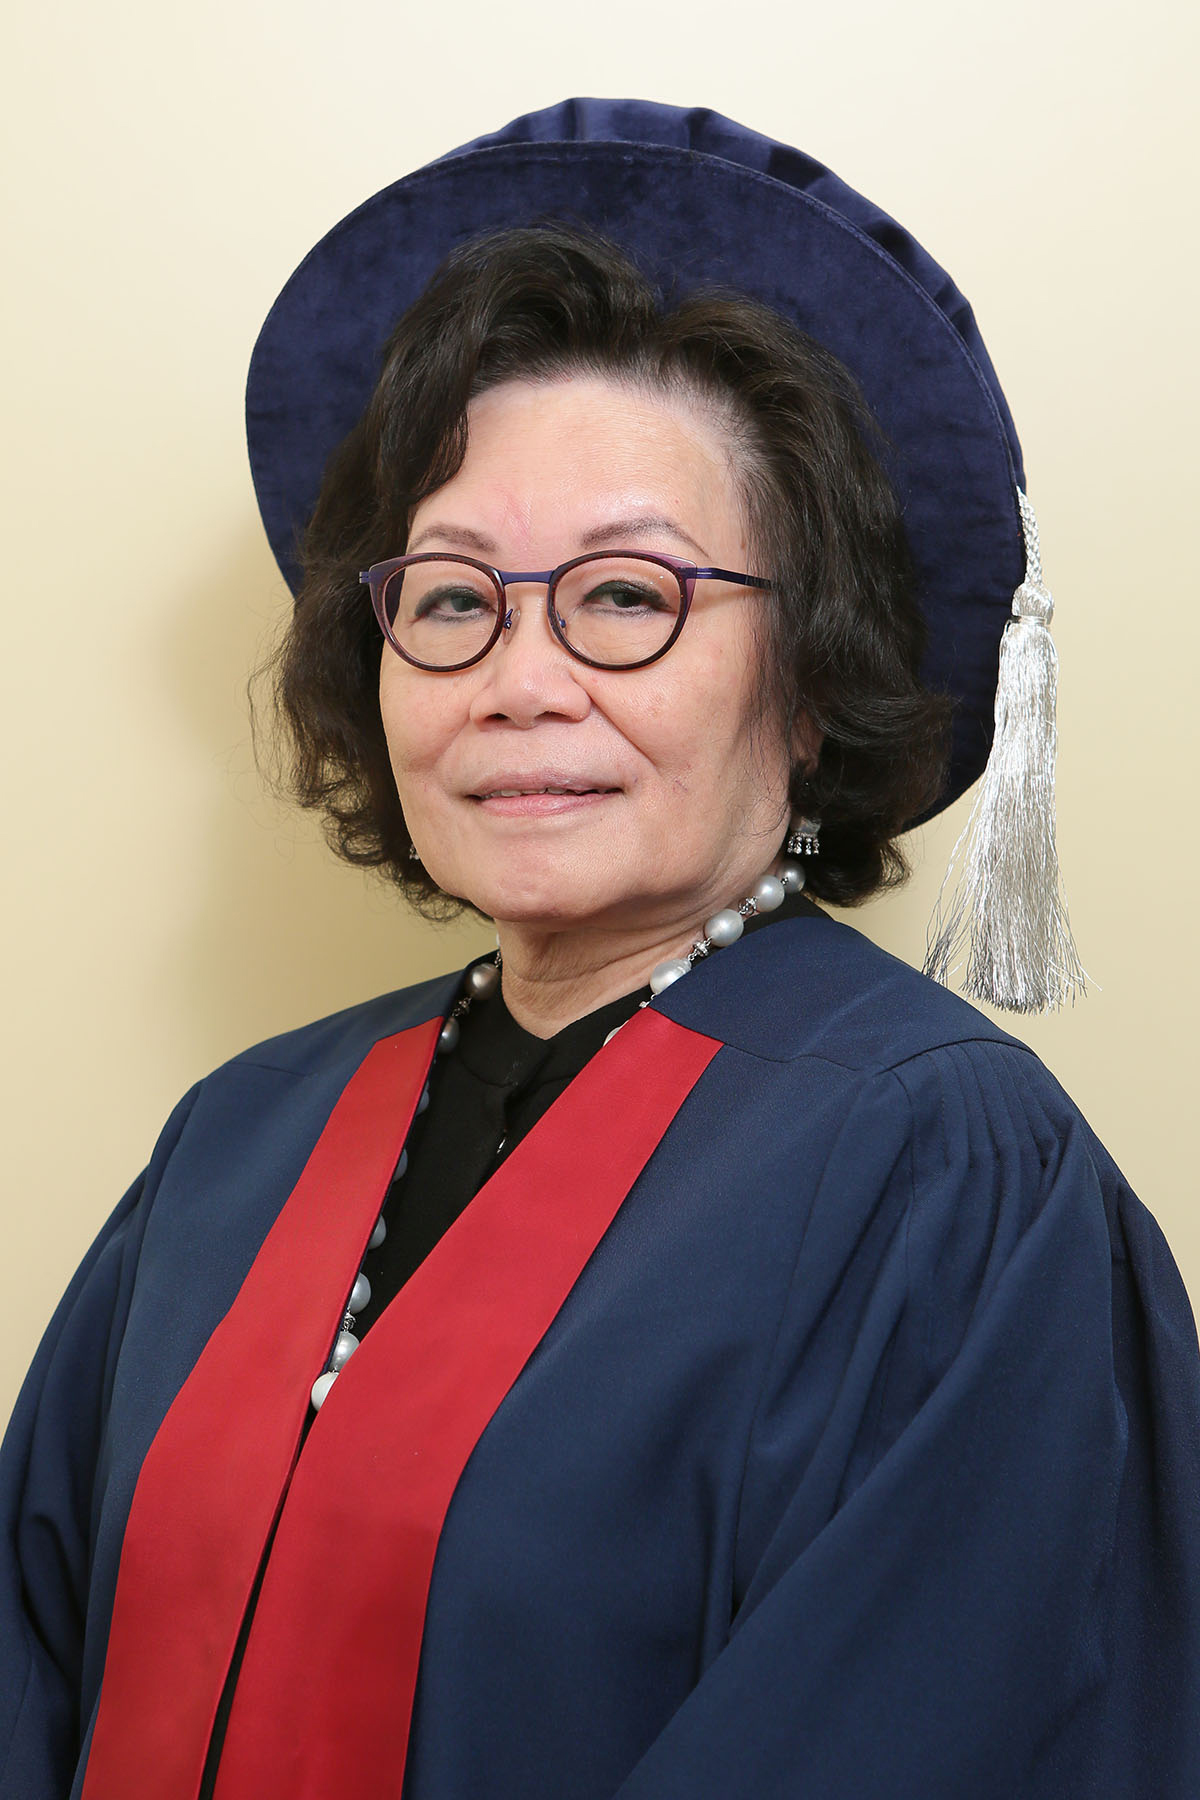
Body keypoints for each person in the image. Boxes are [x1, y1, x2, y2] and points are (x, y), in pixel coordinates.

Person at [2, 99, 1198, 1800]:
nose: (519, 681)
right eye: (450, 599)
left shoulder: (940, 1172)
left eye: (629, 596)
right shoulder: (241, 1141)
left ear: (809, 677)